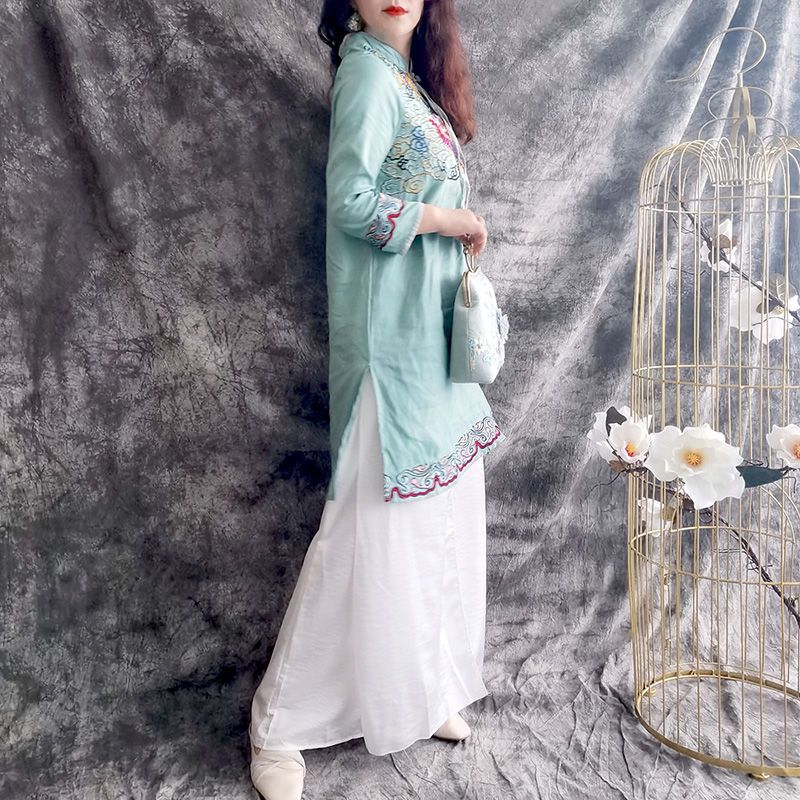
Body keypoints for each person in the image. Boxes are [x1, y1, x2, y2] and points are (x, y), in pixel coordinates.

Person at [248, 1, 507, 797]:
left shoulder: (410, 82)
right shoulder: (364, 73)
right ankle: (277, 728)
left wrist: (450, 227)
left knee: (434, 528)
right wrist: (447, 217)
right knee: (368, 531)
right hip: (388, 348)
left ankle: (423, 689)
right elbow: (353, 202)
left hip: (429, 344)